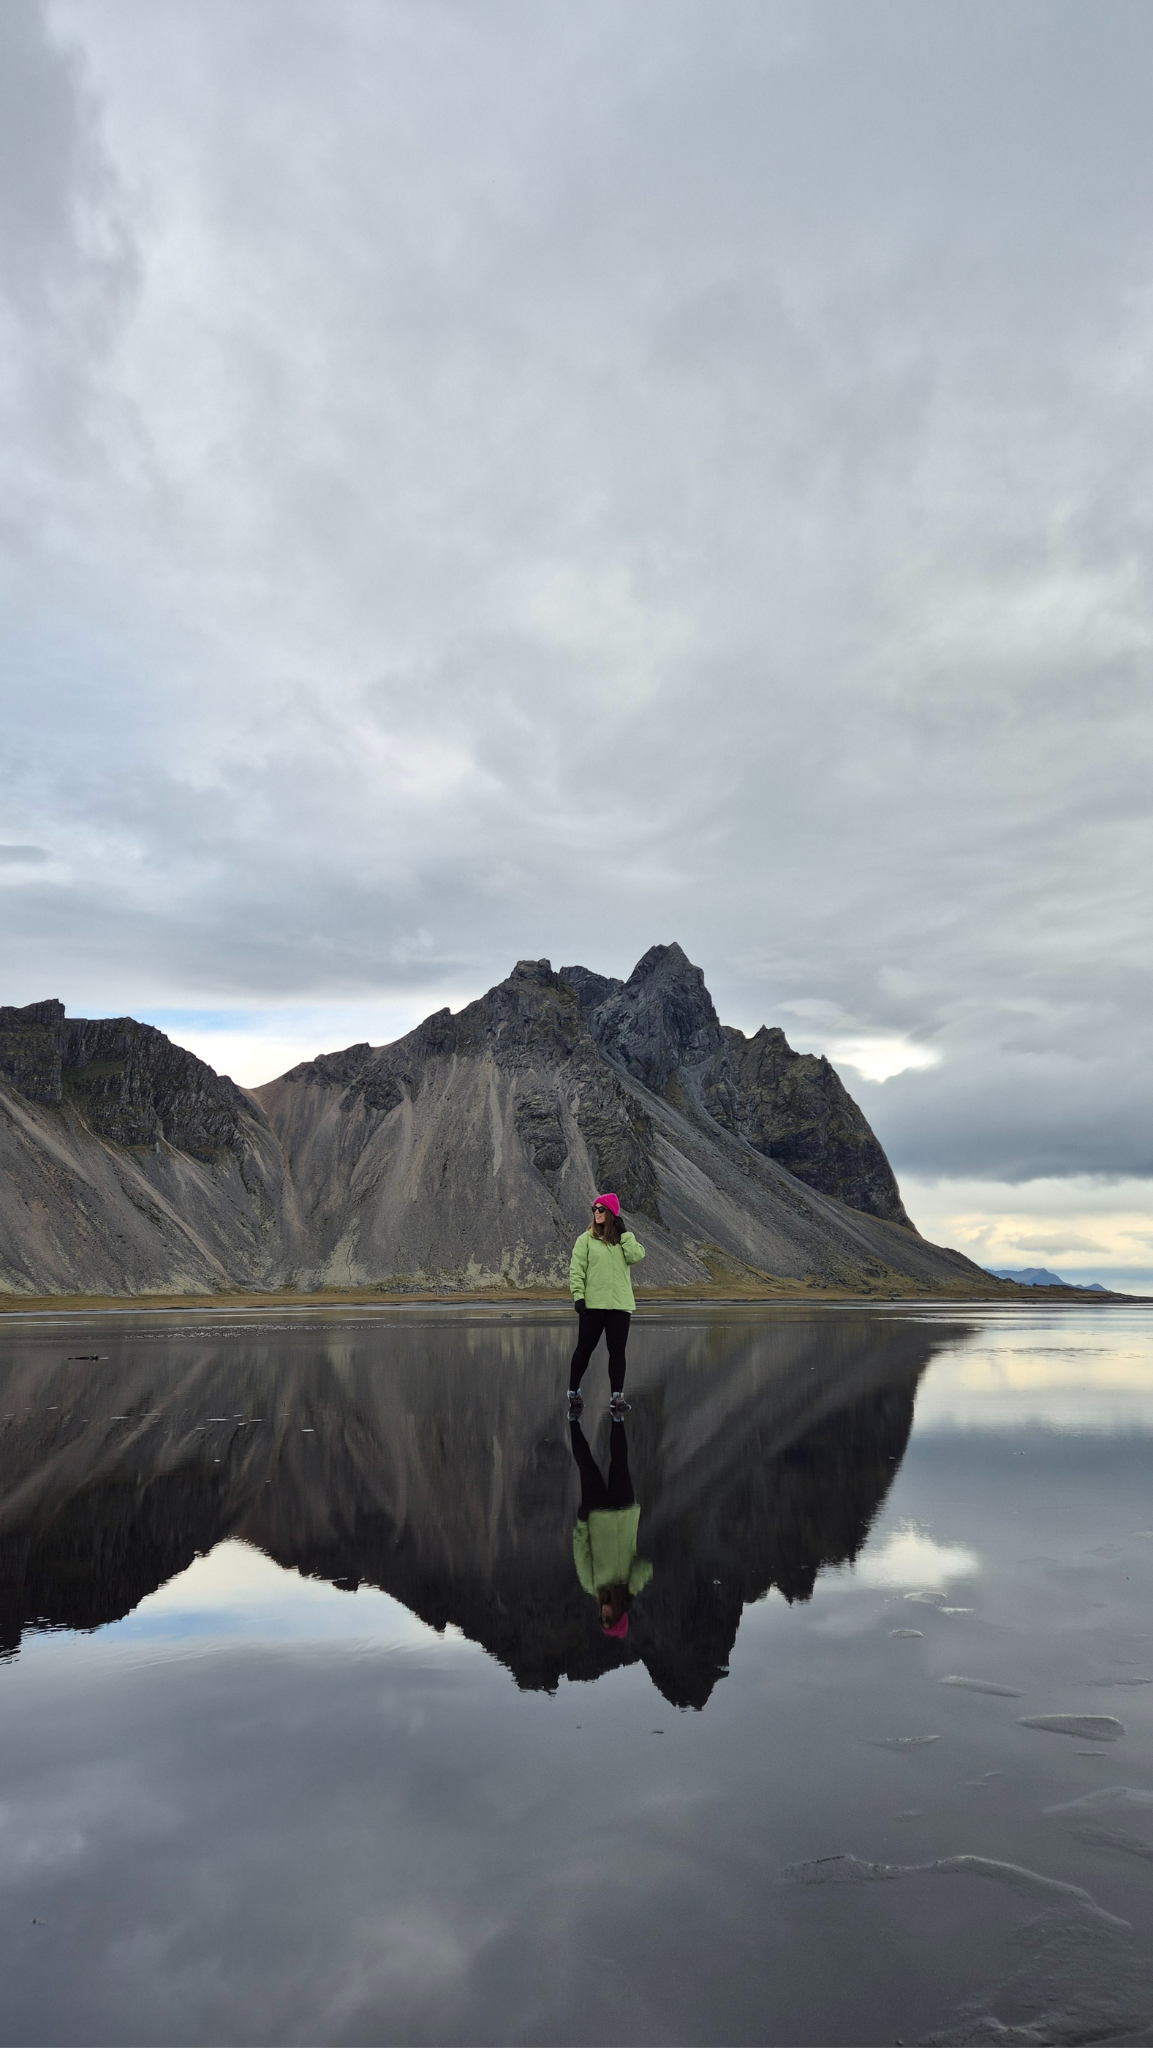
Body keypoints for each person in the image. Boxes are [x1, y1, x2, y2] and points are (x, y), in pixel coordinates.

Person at [570, 1415, 652, 1638]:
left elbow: (580, 1550)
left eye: (602, 1620)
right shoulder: (629, 1587)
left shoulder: (591, 1585)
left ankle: (573, 1418)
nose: (604, 1615)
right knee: (619, 1459)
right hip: (624, 1512)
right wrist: (631, 1592)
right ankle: (618, 1414)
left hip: (597, 1514)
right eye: (609, 1620)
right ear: (619, 1614)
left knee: (585, 1464)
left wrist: (582, 1521)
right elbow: (646, 1568)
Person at [567, 1193, 645, 1418]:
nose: (596, 1212)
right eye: (594, 1209)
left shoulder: (622, 1240)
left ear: (611, 1213)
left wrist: (625, 1233)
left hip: (620, 1305)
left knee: (617, 1352)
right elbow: (576, 1269)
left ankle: (617, 1397)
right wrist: (578, 1296)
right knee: (584, 1349)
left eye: (601, 1209)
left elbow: (637, 1256)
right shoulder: (585, 1239)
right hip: (593, 1305)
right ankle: (573, 1392)